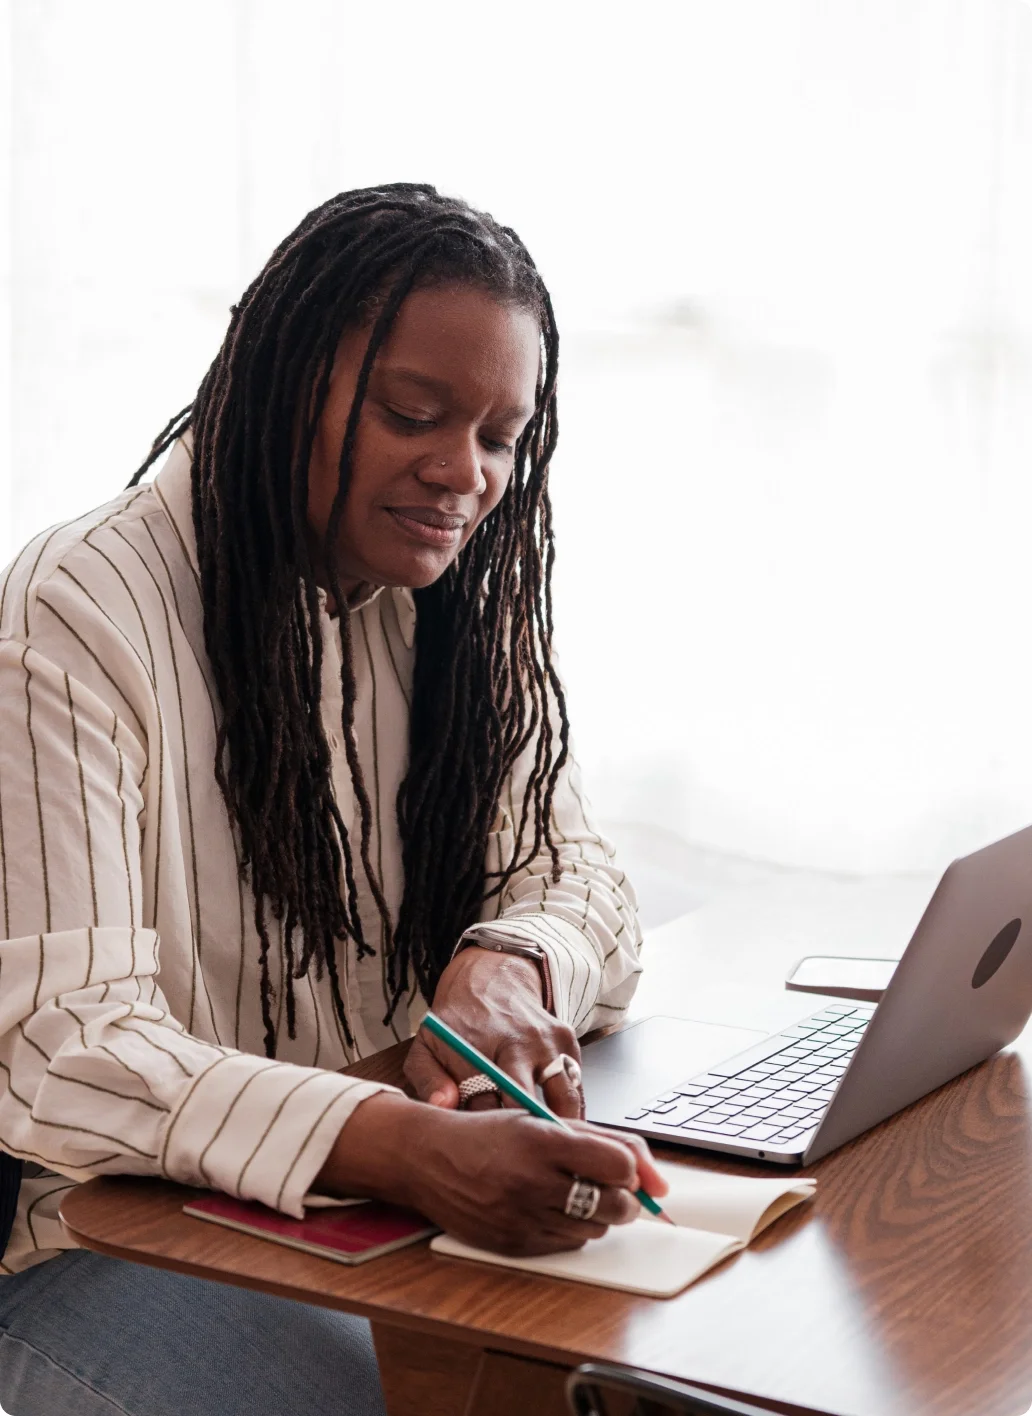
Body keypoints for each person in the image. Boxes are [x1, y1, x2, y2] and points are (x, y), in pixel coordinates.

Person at [0, 183, 660, 1415]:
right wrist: (406, 1143)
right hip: (118, 1239)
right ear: (285, 378)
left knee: (629, 1365)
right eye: (415, 413)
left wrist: (507, 964)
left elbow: (583, 876)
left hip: (376, 1209)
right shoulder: (77, 614)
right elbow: (67, 1050)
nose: (464, 473)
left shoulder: (452, 606)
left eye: (501, 437)